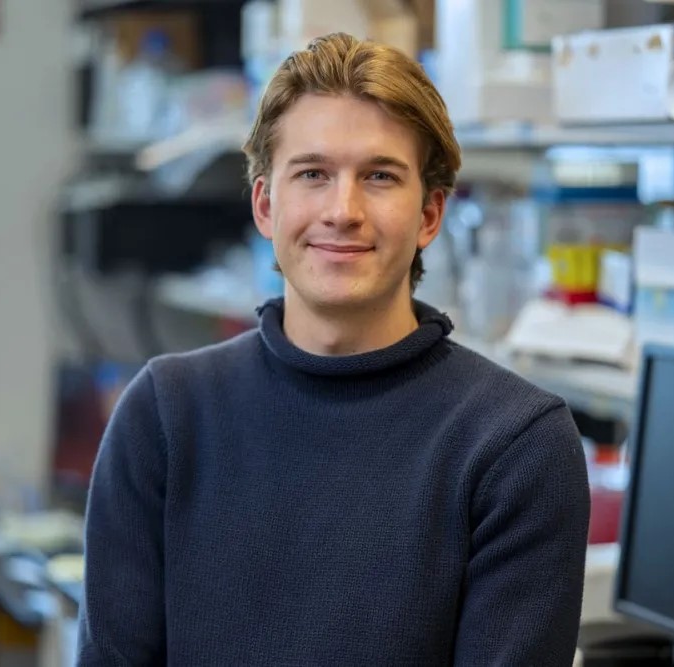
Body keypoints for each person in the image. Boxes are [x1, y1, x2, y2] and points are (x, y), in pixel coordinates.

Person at [78, 32, 590, 666]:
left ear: (431, 214)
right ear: (266, 204)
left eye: (379, 176)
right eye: (313, 174)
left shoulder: (515, 445)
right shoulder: (163, 416)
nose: (343, 210)